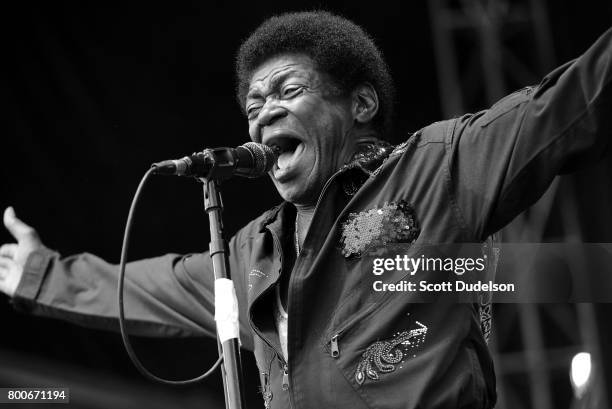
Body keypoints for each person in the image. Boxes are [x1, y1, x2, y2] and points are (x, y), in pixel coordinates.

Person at [1, 10, 611, 409]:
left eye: (288, 91)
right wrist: (40, 275)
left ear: (362, 103)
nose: (263, 112)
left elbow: (567, 107)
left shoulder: (433, 170)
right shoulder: (249, 252)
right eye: (253, 104)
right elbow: (141, 288)